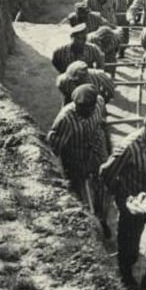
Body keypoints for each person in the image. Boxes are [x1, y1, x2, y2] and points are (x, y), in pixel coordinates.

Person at [99, 110, 146, 289]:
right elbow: (106, 172)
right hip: (132, 199)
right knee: (130, 240)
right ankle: (126, 276)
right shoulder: (129, 147)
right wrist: (121, 193)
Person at [47, 84, 109, 231]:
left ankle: (101, 218)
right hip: (76, 155)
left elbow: (103, 121)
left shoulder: (99, 102)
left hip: (97, 148)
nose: (86, 112)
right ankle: (86, 221)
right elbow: (54, 144)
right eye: (82, 109)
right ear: (75, 104)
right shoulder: (65, 118)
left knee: (103, 183)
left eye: (89, 108)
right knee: (77, 188)